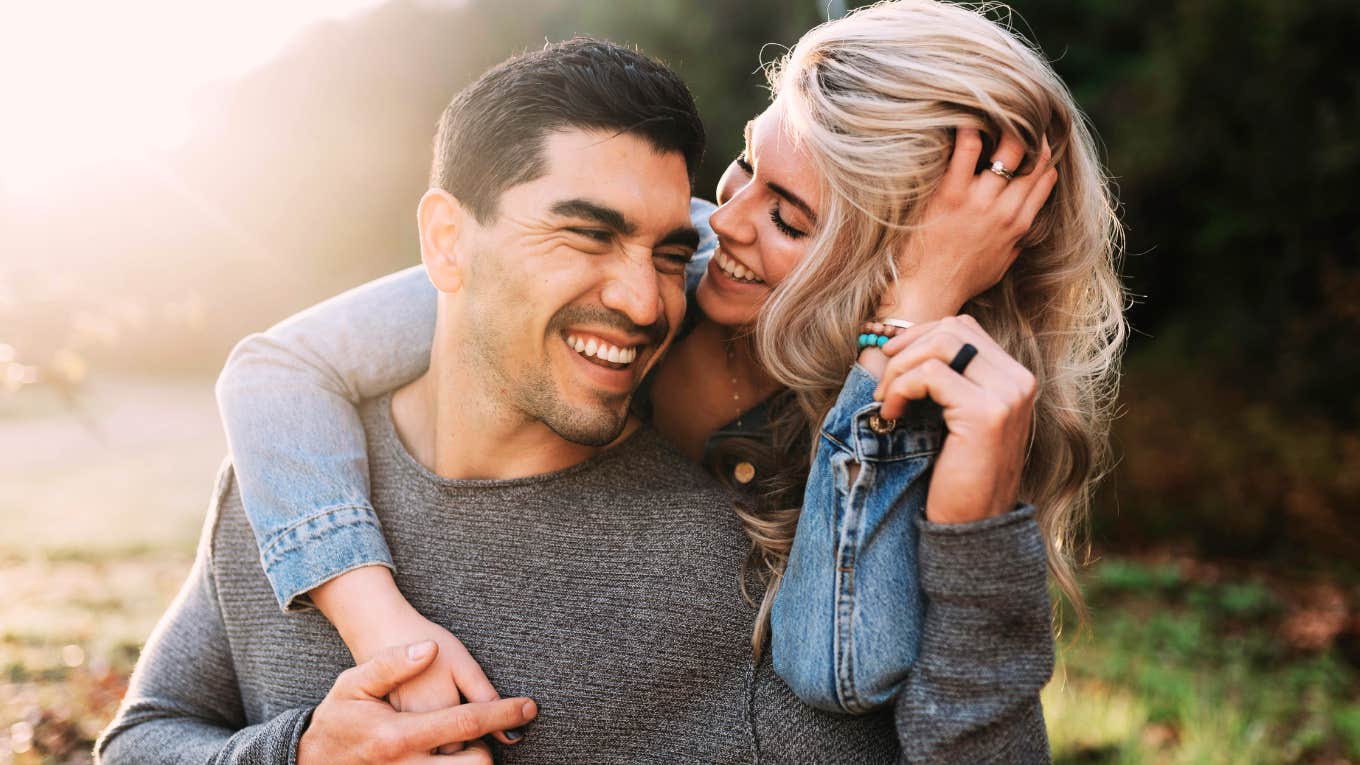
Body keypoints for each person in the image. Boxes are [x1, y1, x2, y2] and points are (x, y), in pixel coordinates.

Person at [214, 0, 1120, 728]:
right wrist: (383, 625)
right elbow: (277, 368)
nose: (719, 222)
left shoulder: (932, 411)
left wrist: (906, 326)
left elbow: (836, 667)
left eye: (791, 221)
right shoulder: (640, 256)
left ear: (890, 278)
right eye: (744, 166)